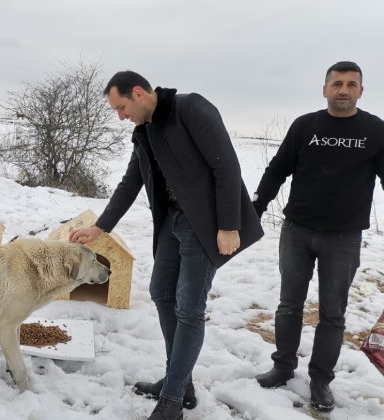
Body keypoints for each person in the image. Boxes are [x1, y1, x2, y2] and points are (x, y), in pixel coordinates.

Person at [69, 71, 263, 420]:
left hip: (204, 226)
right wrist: (101, 227)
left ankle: (172, 400)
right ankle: (181, 383)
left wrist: (229, 225)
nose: (121, 116)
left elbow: (227, 166)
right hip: (172, 222)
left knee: (189, 308)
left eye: (121, 107)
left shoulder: (191, 109)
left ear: (139, 93)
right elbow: (131, 182)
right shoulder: (144, 131)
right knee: (161, 292)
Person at [251, 61, 384, 412]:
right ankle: (282, 368)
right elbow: (278, 169)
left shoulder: (377, 131)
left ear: (361, 90)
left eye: (351, 84)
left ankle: (320, 380)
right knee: (288, 306)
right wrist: (254, 207)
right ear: (325, 88)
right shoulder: (305, 126)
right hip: (297, 230)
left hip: (343, 238)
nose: (343, 89)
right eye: (337, 83)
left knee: (333, 313)